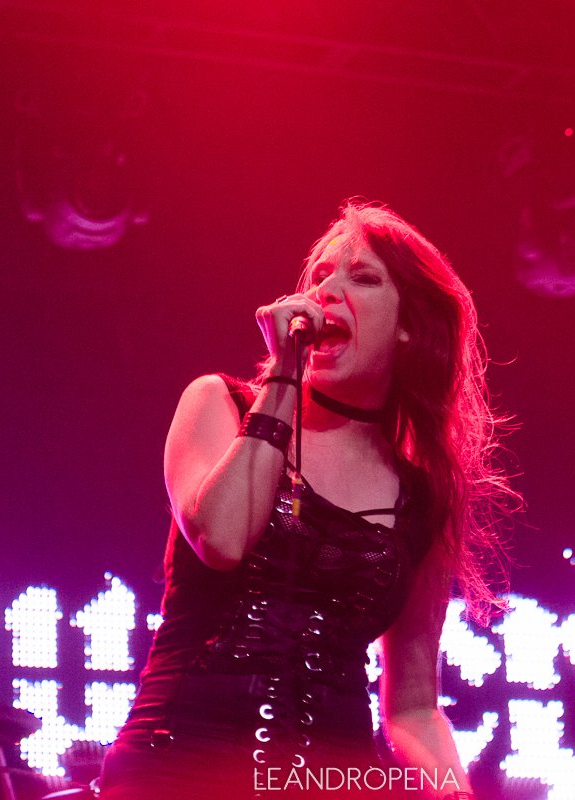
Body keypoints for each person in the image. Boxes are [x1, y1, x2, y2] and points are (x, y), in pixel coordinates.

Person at [99, 201, 516, 800]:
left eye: (362, 278)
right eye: (319, 276)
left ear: (409, 326)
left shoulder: (422, 500)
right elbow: (221, 538)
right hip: (178, 767)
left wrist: (455, 792)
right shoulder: (219, 405)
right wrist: (284, 375)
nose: (327, 291)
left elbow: (413, 706)